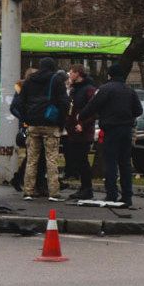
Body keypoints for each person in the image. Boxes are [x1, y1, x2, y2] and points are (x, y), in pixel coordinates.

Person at [78, 63, 142, 206]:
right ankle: (127, 196)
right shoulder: (130, 91)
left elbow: (92, 106)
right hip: (127, 130)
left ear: (110, 75)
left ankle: (111, 194)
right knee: (125, 163)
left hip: (111, 129)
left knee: (111, 162)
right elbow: (139, 111)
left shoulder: (105, 89)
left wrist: (80, 116)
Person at [10, 58, 69, 201]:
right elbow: (64, 103)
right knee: (51, 160)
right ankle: (53, 192)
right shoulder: (56, 80)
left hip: (33, 125)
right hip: (51, 124)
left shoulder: (29, 80)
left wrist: (27, 119)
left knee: (31, 159)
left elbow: (20, 103)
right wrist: (61, 123)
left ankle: (29, 191)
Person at [64, 64, 97, 200]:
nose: (69, 74)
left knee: (82, 160)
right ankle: (83, 187)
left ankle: (87, 188)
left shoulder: (88, 89)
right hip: (73, 130)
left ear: (78, 73)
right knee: (77, 159)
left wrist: (83, 124)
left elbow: (94, 109)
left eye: (71, 72)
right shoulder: (74, 89)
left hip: (83, 131)